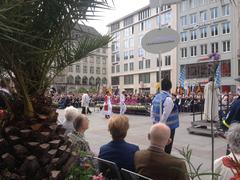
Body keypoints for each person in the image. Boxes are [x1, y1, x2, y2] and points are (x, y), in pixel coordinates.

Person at [151, 78, 179, 154]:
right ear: (170, 87)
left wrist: (154, 123)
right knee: (167, 147)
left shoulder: (156, 97)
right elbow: (165, 115)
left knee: (158, 145)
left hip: (157, 125)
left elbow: (152, 112)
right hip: (168, 127)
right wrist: (160, 125)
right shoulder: (168, 99)